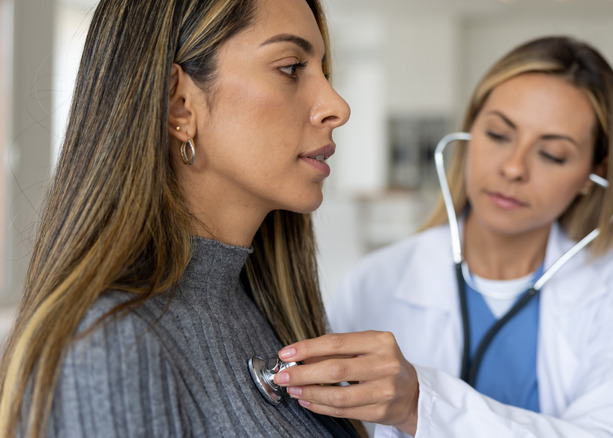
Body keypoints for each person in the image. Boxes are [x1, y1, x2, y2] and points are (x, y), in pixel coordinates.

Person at [270, 36, 613, 437]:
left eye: (552, 154)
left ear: (594, 173)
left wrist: (420, 407)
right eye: (499, 135)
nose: (514, 168)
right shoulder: (377, 281)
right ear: (470, 134)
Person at [0, 0, 365, 436]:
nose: (337, 106)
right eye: (290, 68)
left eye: (323, 72)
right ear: (179, 104)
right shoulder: (105, 347)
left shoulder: (268, 312)